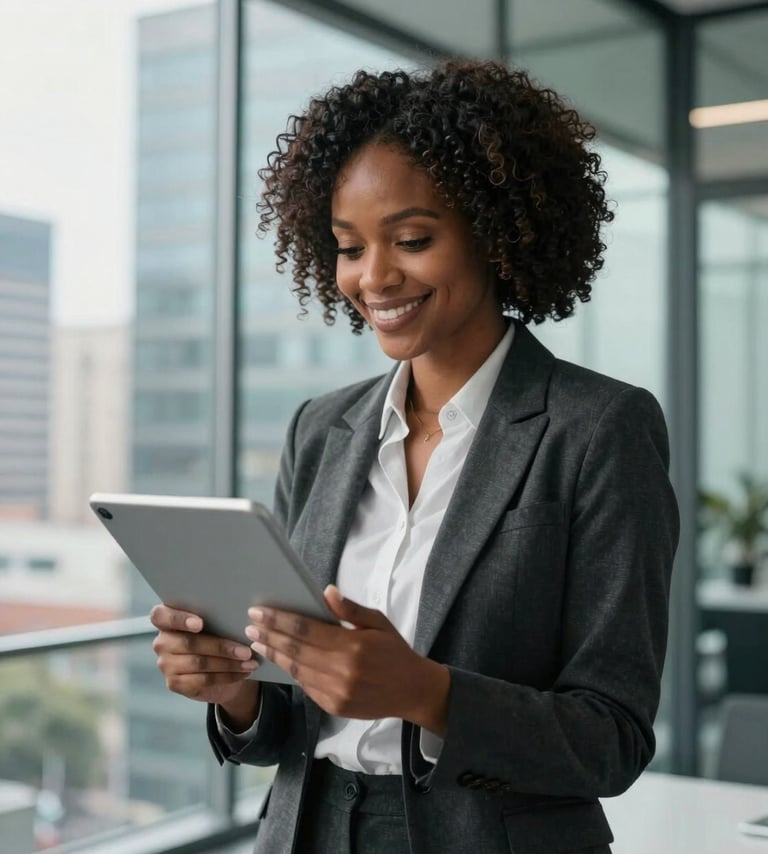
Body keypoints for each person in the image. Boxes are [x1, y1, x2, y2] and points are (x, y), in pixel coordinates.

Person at [150, 59, 679, 854]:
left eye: (412, 239)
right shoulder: (320, 429)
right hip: (309, 831)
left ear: (495, 233)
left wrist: (427, 693)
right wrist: (237, 696)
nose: (374, 277)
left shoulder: (600, 428)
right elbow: (291, 727)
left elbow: (612, 739)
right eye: (349, 247)